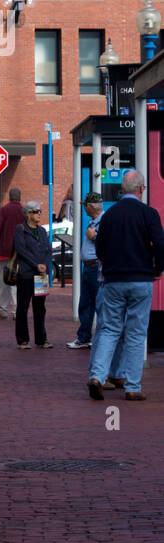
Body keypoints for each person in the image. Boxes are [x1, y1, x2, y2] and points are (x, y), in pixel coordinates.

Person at [87, 170, 164, 401]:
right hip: (141, 279)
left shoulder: (110, 215)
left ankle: (97, 376)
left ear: (123, 188)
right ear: (142, 189)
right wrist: (157, 269)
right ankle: (132, 386)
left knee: (109, 329)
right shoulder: (149, 214)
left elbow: (100, 247)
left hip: (113, 280)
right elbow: (160, 244)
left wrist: (109, 263)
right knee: (136, 333)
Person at [12, 201, 53, 349]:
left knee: (40, 308)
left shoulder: (42, 230)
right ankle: (23, 340)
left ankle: (41, 339)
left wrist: (44, 265)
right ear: (28, 213)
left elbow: (48, 250)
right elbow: (21, 250)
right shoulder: (20, 229)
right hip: (26, 274)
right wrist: (36, 265)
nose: (39, 214)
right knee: (23, 307)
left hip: (41, 275)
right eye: (36, 211)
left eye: (40, 211)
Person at [66, 192, 104, 350]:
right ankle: (84, 337)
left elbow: (107, 240)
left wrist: (94, 236)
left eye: (85, 205)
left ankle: (100, 338)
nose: (84, 208)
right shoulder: (93, 221)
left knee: (98, 303)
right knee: (86, 303)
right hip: (89, 267)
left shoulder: (104, 221)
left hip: (96, 266)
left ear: (91, 206)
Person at [0, 187, 25, 319]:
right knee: (17, 282)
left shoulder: (4, 210)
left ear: (9, 197)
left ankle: (3, 309)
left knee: (3, 281)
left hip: (4, 251)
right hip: (20, 253)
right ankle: (17, 310)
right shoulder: (24, 211)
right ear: (20, 197)